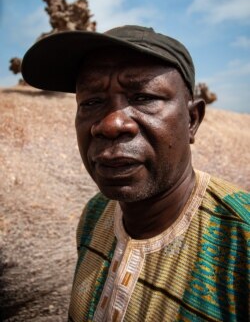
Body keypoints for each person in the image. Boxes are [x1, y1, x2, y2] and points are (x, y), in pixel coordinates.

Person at [21, 25, 249, 322]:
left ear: (192, 120)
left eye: (143, 97)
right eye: (91, 102)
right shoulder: (95, 214)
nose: (111, 124)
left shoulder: (241, 239)